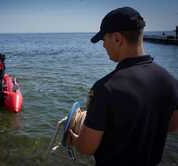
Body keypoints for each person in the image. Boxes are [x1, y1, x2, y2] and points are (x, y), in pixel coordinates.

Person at [69, 7, 178, 166]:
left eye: (104, 39)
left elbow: (86, 148)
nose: (104, 45)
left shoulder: (105, 88)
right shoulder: (170, 82)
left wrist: (75, 139)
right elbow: (171, 126)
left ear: (117, 39)